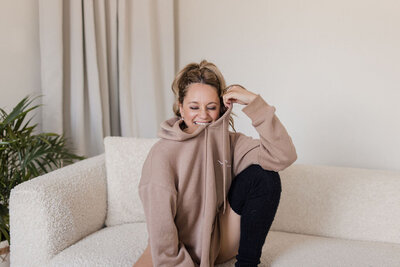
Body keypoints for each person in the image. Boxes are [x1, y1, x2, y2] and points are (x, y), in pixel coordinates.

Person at [134, 60, 297, 267]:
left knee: (265, 177)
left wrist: (254, 103)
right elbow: (162, 232)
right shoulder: (162, 155)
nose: (203, 115)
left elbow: (283, 156)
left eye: (211, 107)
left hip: (217, 243)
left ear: (221, 109)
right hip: (174, 250)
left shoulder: (229, 142)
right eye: (194, 107)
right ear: (181, 108)